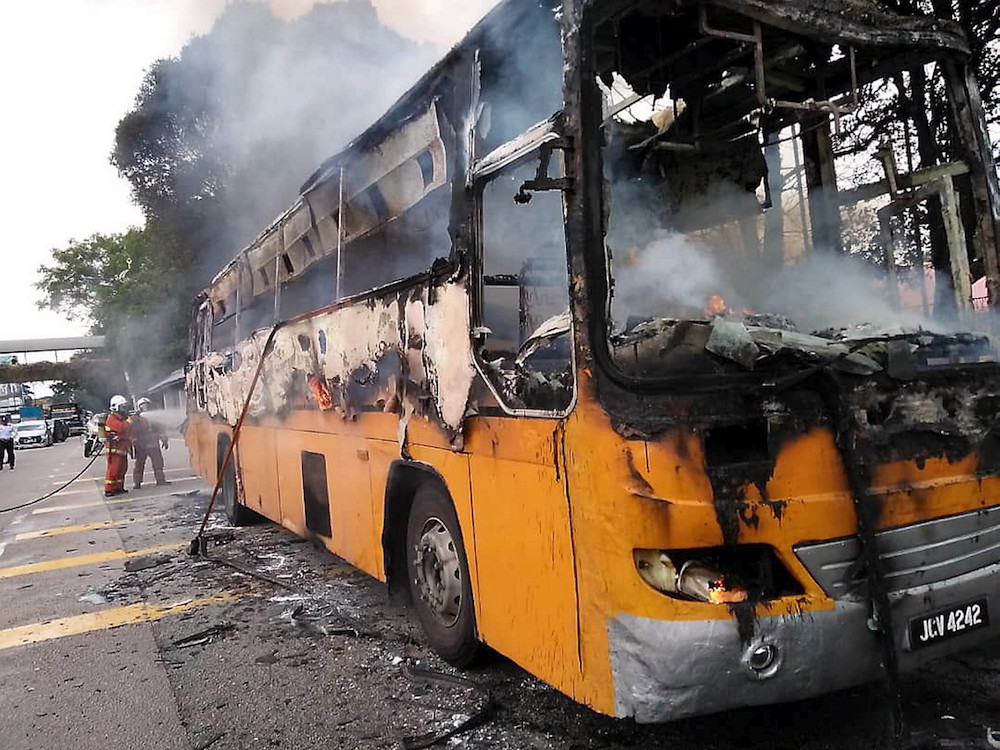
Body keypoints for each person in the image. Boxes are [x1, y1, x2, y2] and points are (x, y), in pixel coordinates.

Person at [130, 397, 169, 489]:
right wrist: (133, 442)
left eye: (147, 405)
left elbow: (160, 429)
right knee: (139, 464)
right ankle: (137, 483)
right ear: (139, 407)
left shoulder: (154, 417)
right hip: (141, 445)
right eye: (143, 405)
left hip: (153, 443)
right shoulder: (136, 419)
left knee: (158, 462)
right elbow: (132, 431)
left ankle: (160, 480)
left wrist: (164, 439)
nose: (146, 407)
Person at [104, 395, 132, 497]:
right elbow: (120, 428)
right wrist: (129, 421)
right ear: (115, 407)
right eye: (122, 407)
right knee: (113, 469)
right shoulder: (111, 418)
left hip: (122, 447)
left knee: (122, 468)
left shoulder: (122, 418)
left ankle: (118, 487)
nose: (124, 409)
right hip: (114, 448)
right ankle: (109, 489)